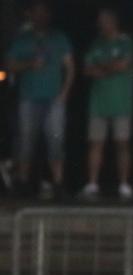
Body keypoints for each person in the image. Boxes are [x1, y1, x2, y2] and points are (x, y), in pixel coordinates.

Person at [5, 0, 74, 200]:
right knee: (26, 140)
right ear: (31, 15)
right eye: (37, 12)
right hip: (29, 98)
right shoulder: (23, 39)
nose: (41, 16)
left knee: (56, 140)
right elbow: (9, 66)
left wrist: (65, 92)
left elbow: (70, 67)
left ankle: (58, 183)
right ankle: (23, 182)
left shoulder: (59, 38)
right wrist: (29, 64)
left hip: (54, 98)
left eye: (44, 13)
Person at [80, 9, 133, 202]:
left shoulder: (125, 42)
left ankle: (124, 184)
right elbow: (87, 69)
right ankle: (93, 183)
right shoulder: (96, 43)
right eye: (99, 22)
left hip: (121, 102)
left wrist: (102, 67)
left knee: (122, 144)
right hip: (98, 103)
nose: (101, 25)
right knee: (96, 144)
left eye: (104, 21)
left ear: (114, 22)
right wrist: (109, 67)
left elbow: (123, 65)